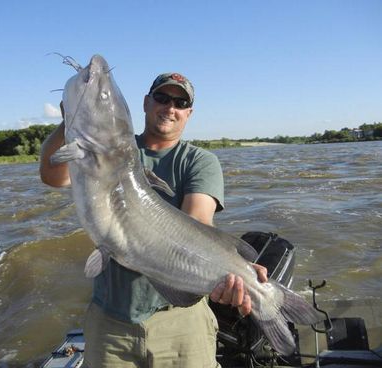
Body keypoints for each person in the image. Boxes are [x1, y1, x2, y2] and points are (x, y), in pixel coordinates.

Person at [40, 72, 268, 367]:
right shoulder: (110, 149)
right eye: (162, 98)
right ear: (146, 103)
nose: (170, 107)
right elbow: (51, 175)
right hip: (111, 321)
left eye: (180, 102)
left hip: (181, 322)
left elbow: (197, 222)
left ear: (189, 113)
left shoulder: (198, 161)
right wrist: (70, 121)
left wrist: (231, 271)